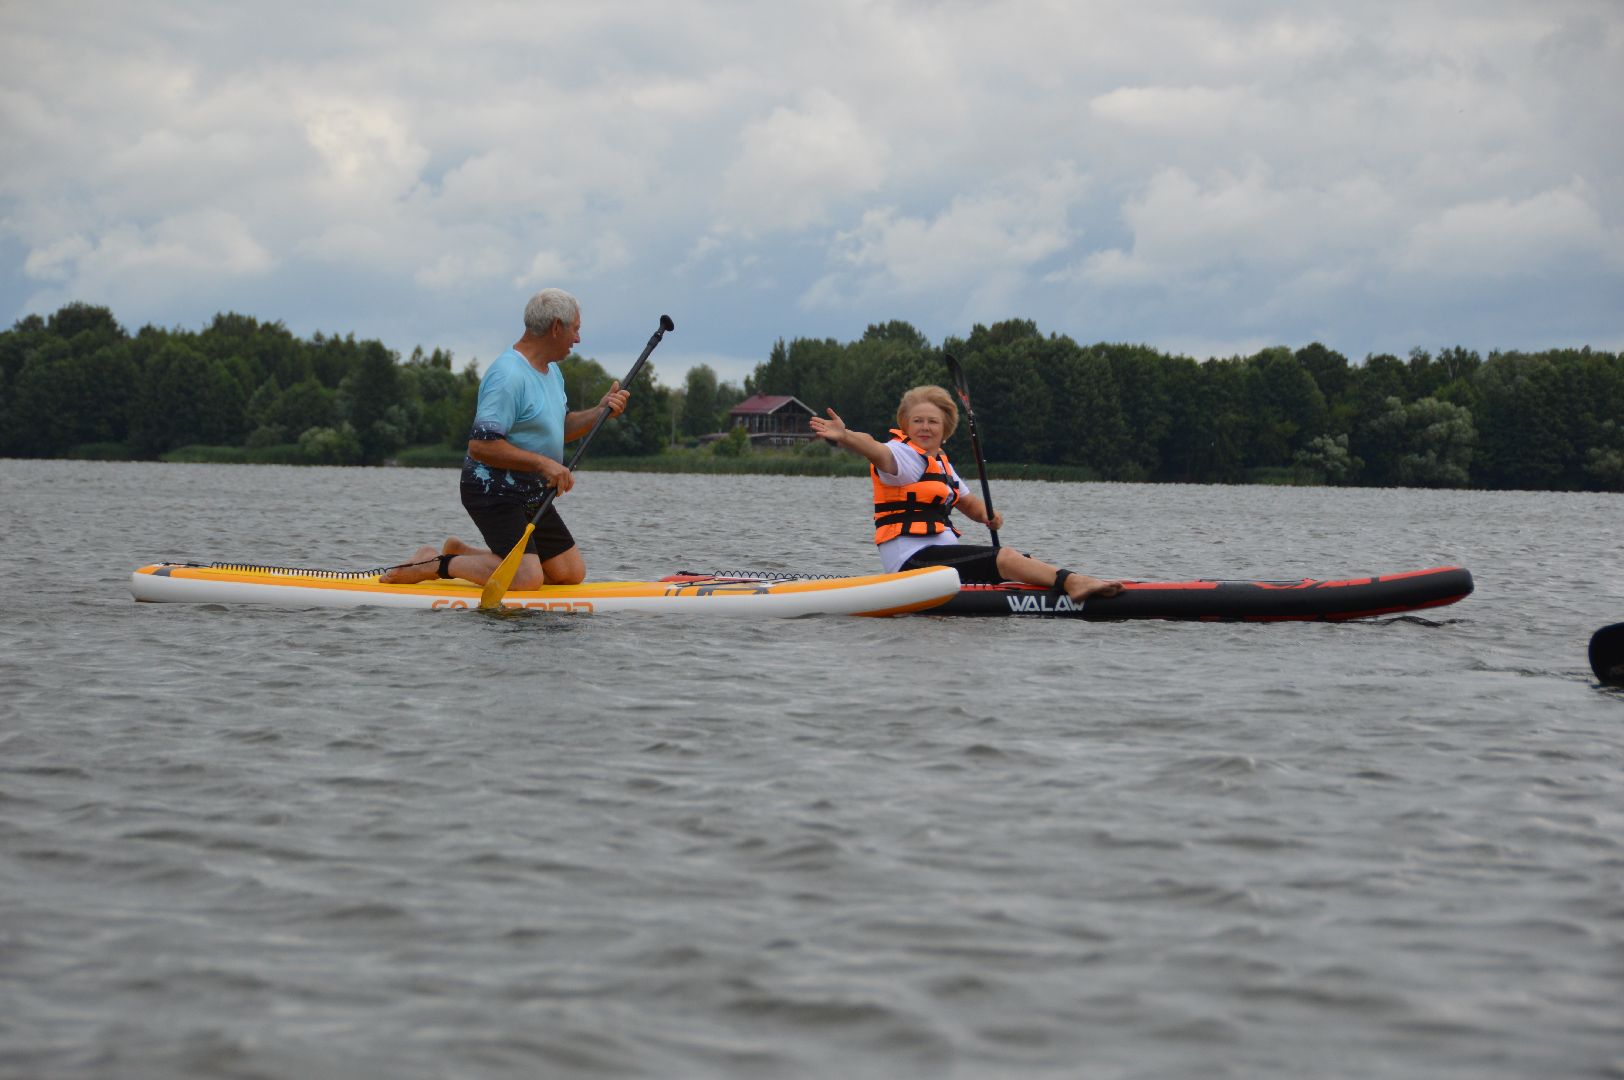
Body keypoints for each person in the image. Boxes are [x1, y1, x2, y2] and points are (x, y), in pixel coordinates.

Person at [380, 288, 628, 589]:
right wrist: (544, 465)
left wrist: (600, 412)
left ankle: (464, 554)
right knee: (527, 578)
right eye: (575, 330)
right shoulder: (507, 375)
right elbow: (481, 445)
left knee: (569, 574)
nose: (578, 339)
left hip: (532, 492)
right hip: (492, 491)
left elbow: (558, 428)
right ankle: (434, 564)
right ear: (555, 328)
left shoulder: (552, 373)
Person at [808, 385, 1123, 602]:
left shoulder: (943, 465)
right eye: (917, 421)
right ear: (905, 424)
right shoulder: (900, 455)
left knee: (1018, 559)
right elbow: (873, 448)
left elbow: (969, 503)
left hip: (941, 565)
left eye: (933, 421)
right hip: (912, 566)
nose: (925, 427)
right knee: (1007, 558)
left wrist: (989, 516)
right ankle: (1073, 582)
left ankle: (1065, 580)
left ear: (945, 429)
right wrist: (846, 436)